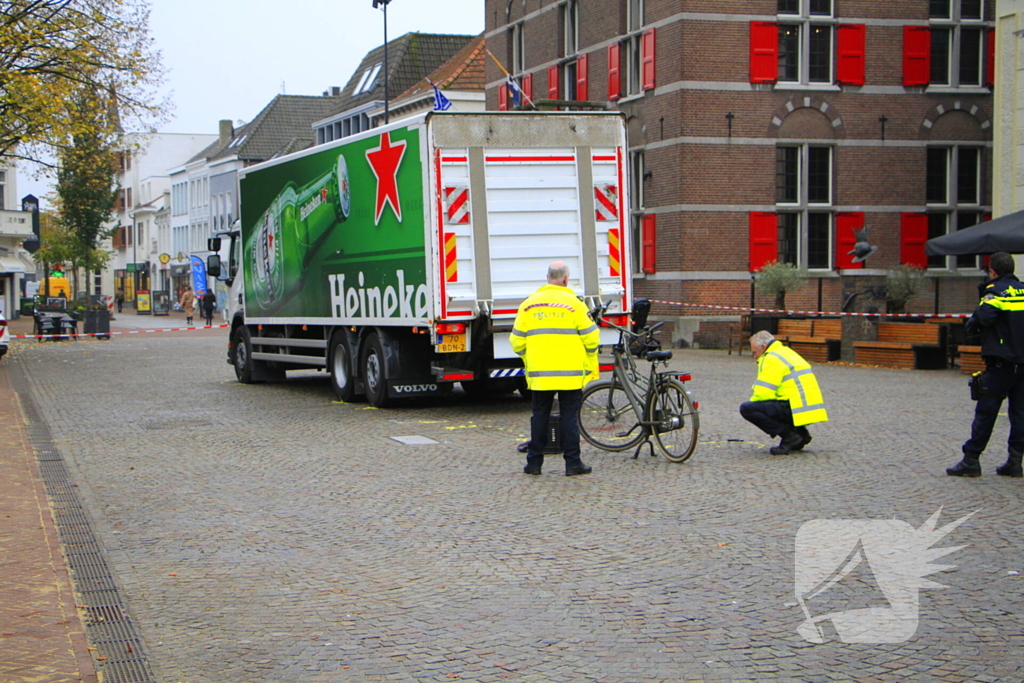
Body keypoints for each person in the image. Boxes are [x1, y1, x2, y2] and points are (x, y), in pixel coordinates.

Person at [511, 261, 600, 476]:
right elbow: (592, 338)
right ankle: (573, 463)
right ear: (566, 279)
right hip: (570, 373)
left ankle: (534, 463)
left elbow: (516, 341)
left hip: (540, 373)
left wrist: (530, 356)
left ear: (547, 277)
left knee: (539, 415)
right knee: (569, 416)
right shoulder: (575, 304)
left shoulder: (528, 304)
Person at [947, 251, 1024, 478]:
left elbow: (986, 316)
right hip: (1023, 362)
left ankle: (971, 459)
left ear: (993, 271)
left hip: (1002, 361)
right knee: (1020, 413)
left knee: (986, 411)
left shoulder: (995, 291)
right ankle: (1015, 461)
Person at [740, 330, 829, 455]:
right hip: (808, 408)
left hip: (794, 406)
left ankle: (790, 436)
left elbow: (764, 392)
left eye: (755, 352)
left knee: (747, 409)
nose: (754, 356)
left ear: (763, 347)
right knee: (776, 403)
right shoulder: (787, 352)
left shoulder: (771, 358)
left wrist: (753, 406)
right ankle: (801, 434)